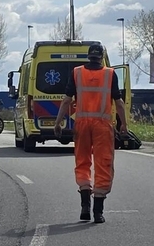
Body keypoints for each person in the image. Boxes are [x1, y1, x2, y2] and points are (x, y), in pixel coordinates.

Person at [54, 42, 129, 224]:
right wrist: (123, 125)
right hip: (103, 126)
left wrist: (58, 123)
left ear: (88, 56)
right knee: (103, 164)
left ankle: (85, 206)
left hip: (82, 124)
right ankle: (98, 212)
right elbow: (118, 103)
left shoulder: (77, 73)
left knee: (83, 162)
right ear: (102, 56)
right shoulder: (110, 74)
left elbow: (66, 101)